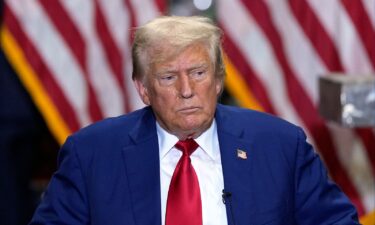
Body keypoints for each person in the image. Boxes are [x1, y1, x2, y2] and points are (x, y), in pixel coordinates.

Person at [29, 16, 359, 225]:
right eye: (169, 77)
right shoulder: (92, 154)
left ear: (218, 81)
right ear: (143, 89)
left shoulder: (280, 145)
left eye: (199, 73)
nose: (187, 91)